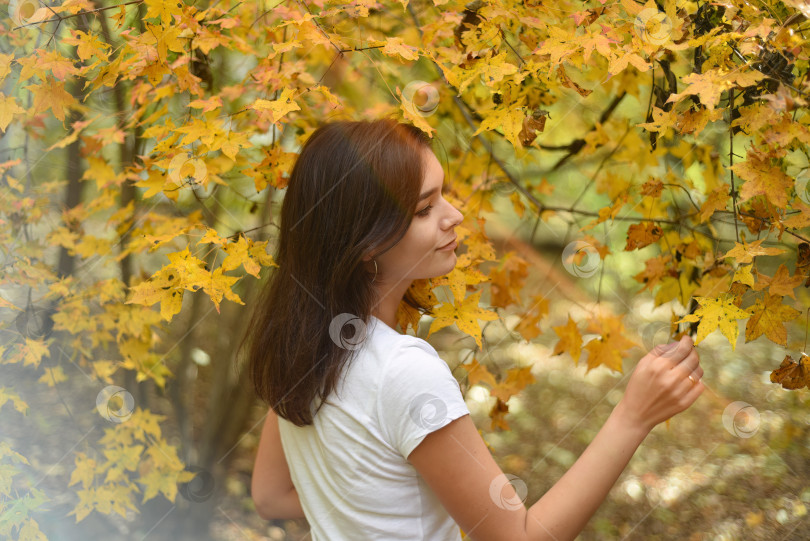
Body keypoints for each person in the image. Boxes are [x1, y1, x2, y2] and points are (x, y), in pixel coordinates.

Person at [241, 117, 705, 540]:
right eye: (424, 209)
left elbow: (270, 495)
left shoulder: (302, 345)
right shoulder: (402, 369)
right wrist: (633, 416)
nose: (454, 215)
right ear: (366, 242)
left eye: (443, 194)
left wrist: (370, 508)